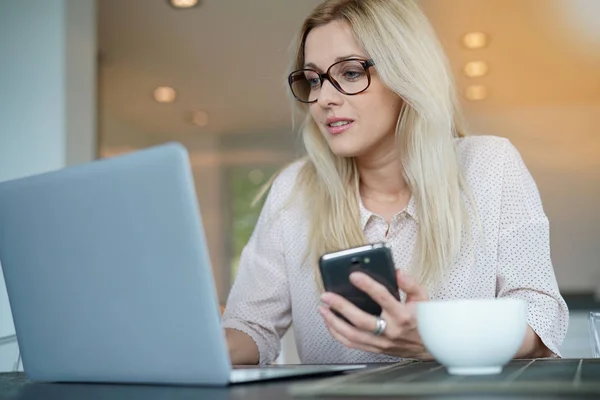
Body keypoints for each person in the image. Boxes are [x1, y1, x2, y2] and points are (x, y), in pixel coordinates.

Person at [221, 0, 569, 365]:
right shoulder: (294, 191)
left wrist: (441, 338)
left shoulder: (489, 165)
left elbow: (541, 318)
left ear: (405, 74)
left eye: (351, 73)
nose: (323, 98)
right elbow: (251, 326)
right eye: (313, 80)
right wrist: (204, 340)